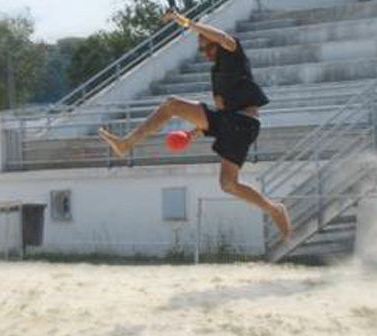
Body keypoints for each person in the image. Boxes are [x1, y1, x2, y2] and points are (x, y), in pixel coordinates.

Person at [97, 11, 290, 238]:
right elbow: (219, 110)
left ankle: (126, 144)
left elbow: (220, 37)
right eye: (201, 50)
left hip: (244, 123)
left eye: (209, 47)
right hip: (229, 121)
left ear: (217, 43)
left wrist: (186, 23)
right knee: (227, 184)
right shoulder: (216, 72)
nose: (206, 53)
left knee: (172, 105)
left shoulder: (233, 51)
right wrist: (193, 134)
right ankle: (273, 208)